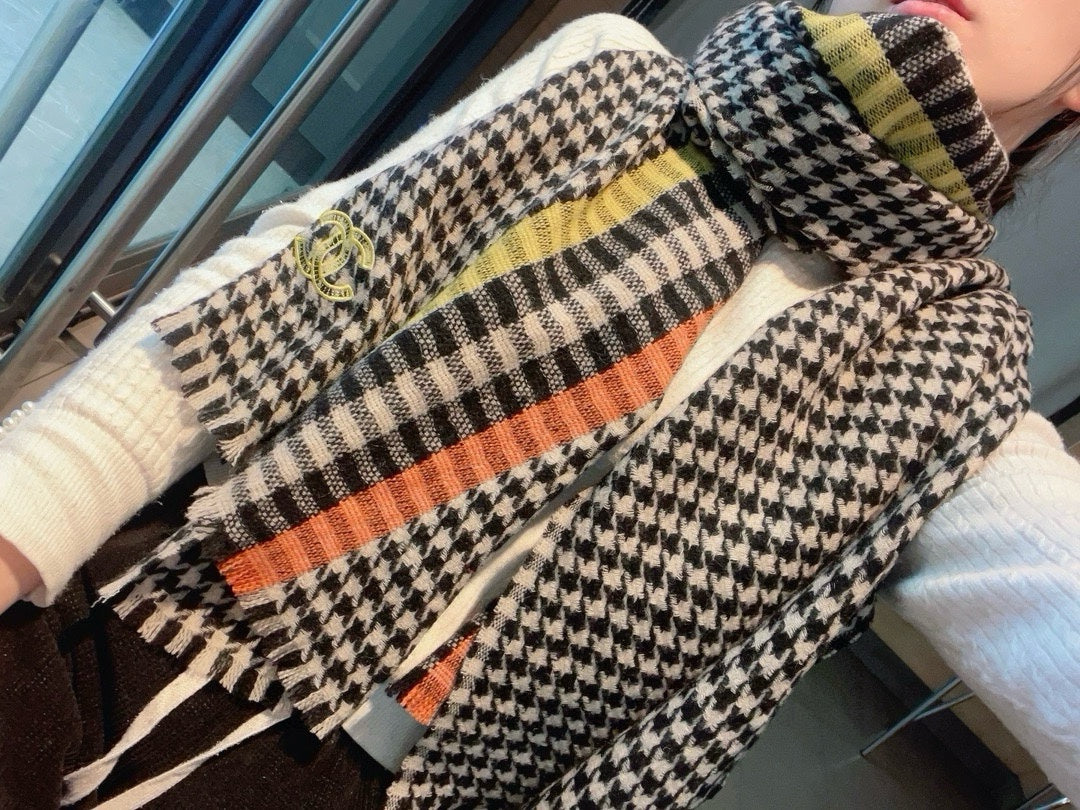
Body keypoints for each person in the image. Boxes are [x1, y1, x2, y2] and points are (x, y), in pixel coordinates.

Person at [1, 0, 1078, 807]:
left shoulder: (952, 385)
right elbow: (282, 284)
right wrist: (20, 518)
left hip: (377, 783)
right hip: (136, 586)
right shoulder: (611, 81)